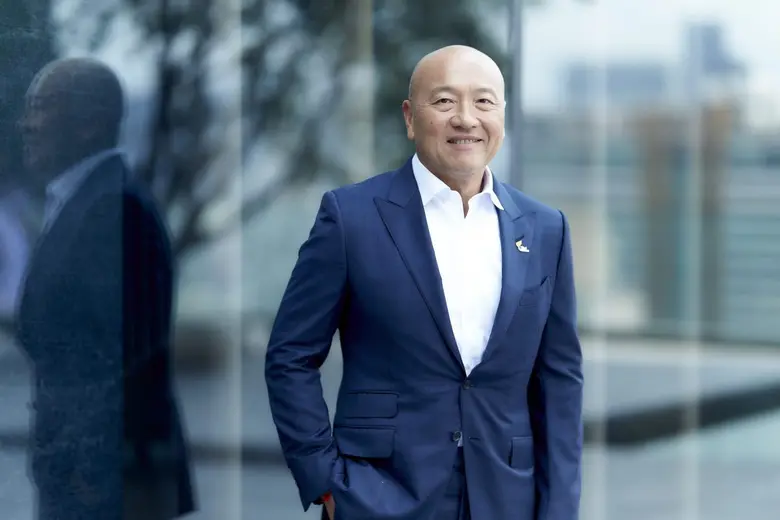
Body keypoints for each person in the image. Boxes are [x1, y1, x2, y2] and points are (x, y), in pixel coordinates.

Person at [265, 45, 583, 520]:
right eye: (445, 101)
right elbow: (290, 355)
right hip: (379, 496)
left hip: (508, 499)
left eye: (483, 101)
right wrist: (326, 482)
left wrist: (559, 509)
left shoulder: (546, 228)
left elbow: (559, 380)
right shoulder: (351, 217)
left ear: (501, 116)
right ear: (410, 118)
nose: (466, 118)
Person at [14, 57, 195, 520]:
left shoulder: (113, 207)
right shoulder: (88, 199)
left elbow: (119, 354)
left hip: (105, 480)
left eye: (41, 107)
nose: (26, 124)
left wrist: (79, 471)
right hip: (92, 475)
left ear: (89, 124)